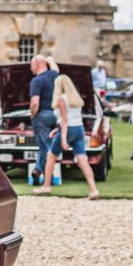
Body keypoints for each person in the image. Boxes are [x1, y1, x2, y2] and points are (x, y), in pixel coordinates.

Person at [34, 74, 99, 200]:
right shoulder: (76, 99)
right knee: (82, 160)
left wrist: (63, 138)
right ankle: (94, 190)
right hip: (79, 129)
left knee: (51, 156)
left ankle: (46, 186)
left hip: (68, 130)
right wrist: (56, 130)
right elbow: (71, 117)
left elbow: (65, 120)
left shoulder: (62, 99)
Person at [28, 55, 59, 183]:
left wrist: (32, 115)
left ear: (37, 64)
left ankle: (48, 177)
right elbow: (56, 69)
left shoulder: (36, 81)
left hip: (42, 116)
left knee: (45, 146)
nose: (30, 68)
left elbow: (35, 102)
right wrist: (50, 59)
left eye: (32, 65)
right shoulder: (53, 75)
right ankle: (38, 169)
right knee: (46, 146)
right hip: (55, 114)